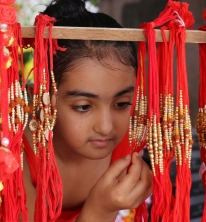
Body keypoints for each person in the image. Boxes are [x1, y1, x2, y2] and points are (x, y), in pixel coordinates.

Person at [21, 0, 153, 221]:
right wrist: (101, 209)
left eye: (121, 104)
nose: (106, 127)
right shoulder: (13, 158)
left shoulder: (132, 142)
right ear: (41, 98)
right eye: (83, 107)